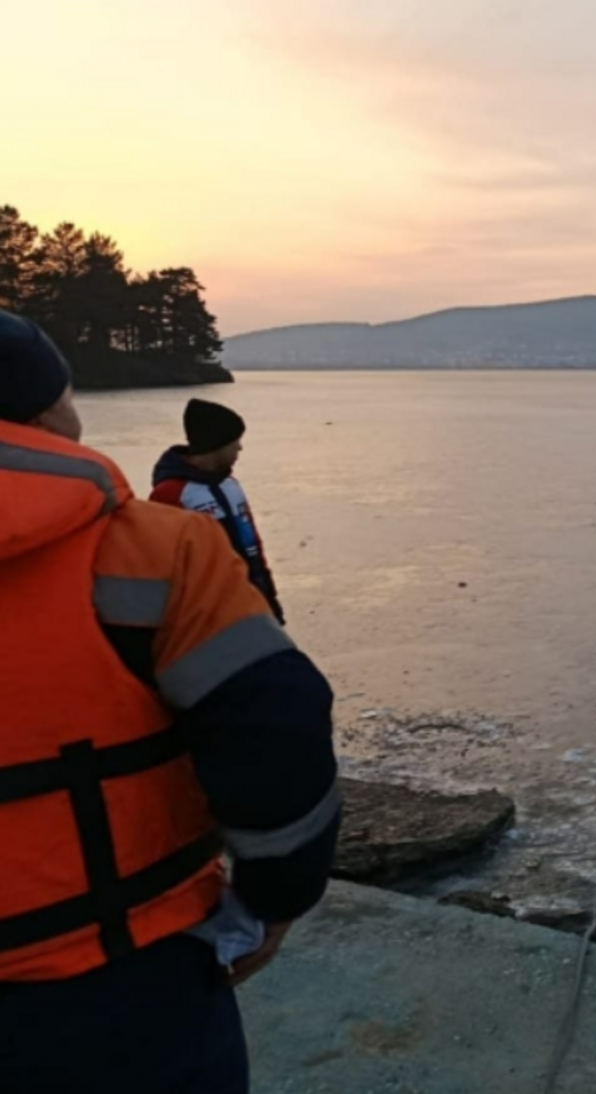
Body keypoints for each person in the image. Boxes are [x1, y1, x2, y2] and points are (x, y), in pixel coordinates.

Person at [0, 310, 340, 1093]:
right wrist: (274, 901)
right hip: (127, 980)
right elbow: (277, 730)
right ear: (47, 412)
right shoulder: (153, 545)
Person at [151, 399, 284, 623]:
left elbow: (252, 543)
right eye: (235, 441)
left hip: (252, 602)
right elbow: (162, 562)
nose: (239, 448)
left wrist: (270, 599)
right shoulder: (171, 493)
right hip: (208, 613)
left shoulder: (231, 486)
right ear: (217, 444)